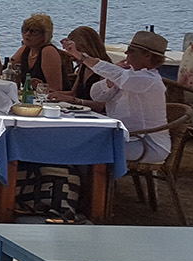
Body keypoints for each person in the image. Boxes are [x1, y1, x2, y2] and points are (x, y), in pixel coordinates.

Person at [65, 31, 171, 163]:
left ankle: (93, 182)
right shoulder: (129, 76)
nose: (126, 53)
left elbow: (119, 76)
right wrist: (111, 79)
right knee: (78, 141)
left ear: (147, 55)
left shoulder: (149, 80)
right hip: (129, 137)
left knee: (87, 146)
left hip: (148, 144)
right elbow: (97, 95)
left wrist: (82, 57)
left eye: (131, 50)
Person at [0, 13, 66, 93]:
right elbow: (1, 74)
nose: (27, 34)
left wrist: (38, 87)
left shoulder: (48, 51)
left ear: (44, 35)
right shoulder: (25, 49)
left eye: (34, 31)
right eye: (25, 30)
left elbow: (56, 89)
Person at [53, 26, 112, 108]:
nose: (72, 56)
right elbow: (73, 93)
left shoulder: (105, 69)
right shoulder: (84, 67)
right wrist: (51, 94)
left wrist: (75, 100)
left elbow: (101, 106)